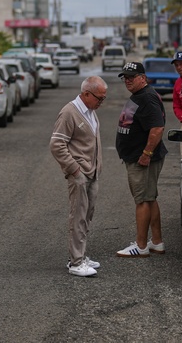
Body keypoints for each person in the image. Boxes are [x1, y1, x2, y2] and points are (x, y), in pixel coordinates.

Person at [49, 76, 107, 278]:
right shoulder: (69, 112)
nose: (101, 102)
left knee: (87, 216)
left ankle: (80, 254)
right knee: (78, 216)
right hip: (80, 174)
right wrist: (75, 170)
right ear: (86, 94)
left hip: (92, 172)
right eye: (99, 98)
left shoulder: (90, 111)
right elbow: (56, 145)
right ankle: (76, 262)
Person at [114, 61, 166, 258]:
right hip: (138, 157)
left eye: (131, 77)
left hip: (143, 159)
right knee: (149, 198)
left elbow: (157, 128)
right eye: (125, 77)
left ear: (142, 78)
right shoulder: (140, 96)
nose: (127, 81)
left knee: (142, 200)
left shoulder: (148, 98)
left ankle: (141, 245)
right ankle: (157, 242)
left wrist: (146, 154)